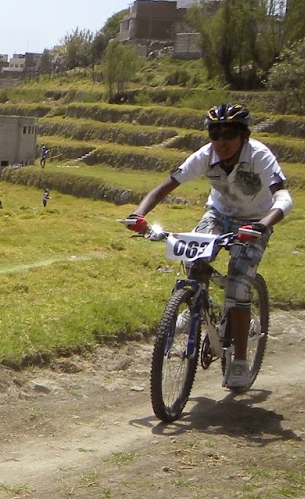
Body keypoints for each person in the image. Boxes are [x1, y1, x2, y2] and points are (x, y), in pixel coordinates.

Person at [125, 103, 293, 392]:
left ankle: (240, 361)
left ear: (244, 135)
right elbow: (166, 186)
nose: (221, 141)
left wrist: (262, 226)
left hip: (255, 220)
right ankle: (194, 306)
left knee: (238, 287)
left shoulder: (260, 156)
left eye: (229, 134)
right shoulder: (207, 155)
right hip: (217, 214)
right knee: (194, 256)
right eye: (215, 134)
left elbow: (284, 198)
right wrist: (139, 214)